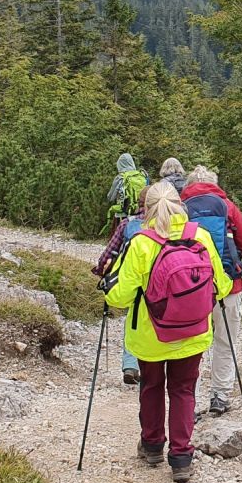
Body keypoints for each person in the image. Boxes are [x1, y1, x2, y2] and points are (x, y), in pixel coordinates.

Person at [104, 180, 232, 483]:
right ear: (179, 206)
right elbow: (222, 285)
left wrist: (108, 283)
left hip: (152, 335)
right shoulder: (199, 235)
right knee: (184, 390)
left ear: (146, 210)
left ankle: (151, 446)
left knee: (151, 386)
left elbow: (119, 297)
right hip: (193, 333)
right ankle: (181, 458)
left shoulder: (141, 243)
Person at [181, 164, 242, 416]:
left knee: (192, 343)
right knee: (225, 340)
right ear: (215, 183)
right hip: (228, 285)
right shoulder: (226, 206)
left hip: (190, 287)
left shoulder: (179, 207)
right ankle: (219, 396)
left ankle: (188, 401)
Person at [104, 153, 149, 385]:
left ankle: (130, 365)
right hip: (157, 281)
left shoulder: (120, 179)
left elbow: (109, 254)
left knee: (133, 317)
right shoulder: (142, 176)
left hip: (125, 231)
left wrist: (104, 272)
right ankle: (149, 367)